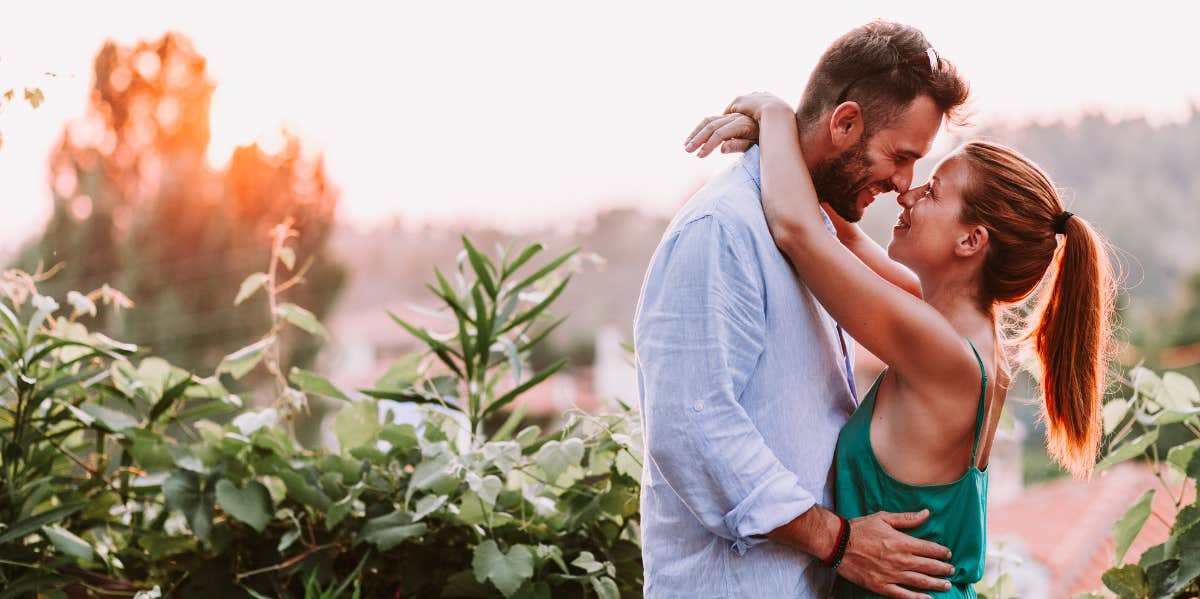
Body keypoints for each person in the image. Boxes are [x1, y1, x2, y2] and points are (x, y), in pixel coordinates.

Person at [683, 91, 1115, 598]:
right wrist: (788, 145)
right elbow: (837, 233)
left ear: (971, 241)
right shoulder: (955, 333)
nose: (906, 195)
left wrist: (775, 112)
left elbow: (799, 232)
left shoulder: (942, 352)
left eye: (932, 192)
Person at [634, 20, 970, 599]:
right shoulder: (722, 230)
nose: (903, 183)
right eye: (900, 155)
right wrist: (839, 541)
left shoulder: (814, 232)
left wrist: (773, 117)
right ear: (844, 123)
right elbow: (693, 428)